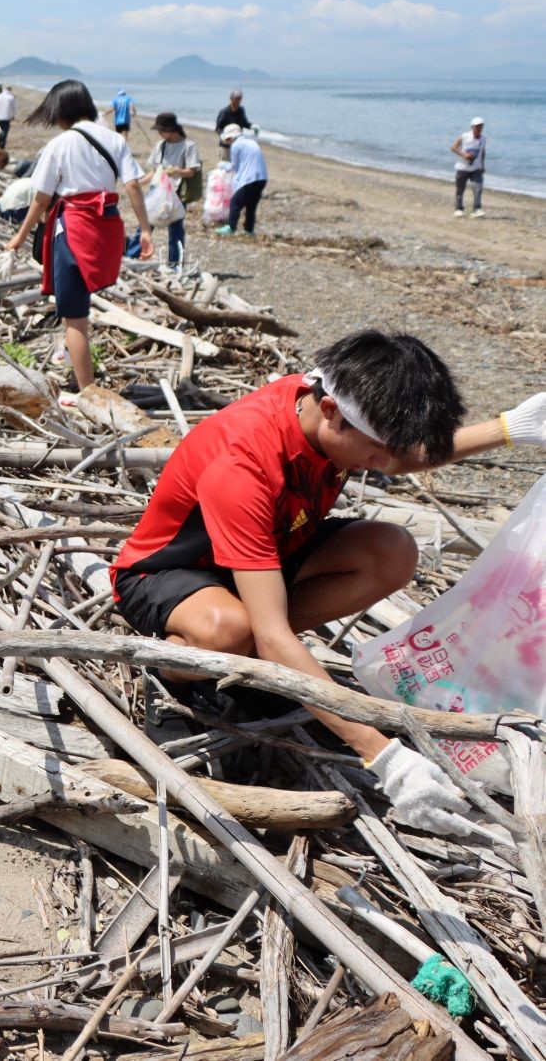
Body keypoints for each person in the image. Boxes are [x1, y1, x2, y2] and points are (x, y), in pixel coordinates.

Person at [110, 330, 546, 835]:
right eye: (377, 450)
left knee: (391, 551)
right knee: (230, 631)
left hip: (271, 552)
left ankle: (255, 660)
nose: (384, 466)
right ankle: (174, 672)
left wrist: (513, 427)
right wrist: (384, 757)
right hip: (169, 572)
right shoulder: (246, 462)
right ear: (333, 410)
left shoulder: (327, 410)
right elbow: (272, 632)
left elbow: (399, 455)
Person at [3, 79, 152, 393]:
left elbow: (41, 198)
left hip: (72, 230)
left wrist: (20, 237)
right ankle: (77, 367)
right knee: (80, 312)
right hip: (107, 227)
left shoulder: (60, 145)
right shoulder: (115, 139)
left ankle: (87, 392)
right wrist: (147, 230)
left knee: (75, 317)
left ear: (62, 111)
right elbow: (134, 185)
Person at [145, 112, 202, 265]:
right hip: (157, 192)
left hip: (175, 195)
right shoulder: (160, 145)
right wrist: (137, 183)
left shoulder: (189, 146)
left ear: (170, 130)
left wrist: (176, 171)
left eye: (160, 130)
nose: (159, 133)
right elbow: (153, 171)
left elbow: (191, 171)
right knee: (145, 225)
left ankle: (175, 264)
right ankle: (136, 255)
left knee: (175, 231)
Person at [217, 125, 267, 235]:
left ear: (230, 138)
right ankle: (249, 230)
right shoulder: (251, 142)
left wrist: (223, 165)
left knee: (235, 202)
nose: (228, 142)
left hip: (250, 178)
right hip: (262, 178)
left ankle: (231, 227)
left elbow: (235, 166)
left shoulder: (236, 145)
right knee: (251, 204)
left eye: (227, 140)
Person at [452, 116, 487, 218]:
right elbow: (453, 147)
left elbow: (483, 152)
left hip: (477, 168)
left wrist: (483, 165)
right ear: (472, 127)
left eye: (481, 126)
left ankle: (477, 209)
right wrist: (464, 155)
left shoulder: (484, 138)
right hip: (463, 167)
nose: (479, 128)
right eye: (477, 126)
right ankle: (459, 209)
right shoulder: (464, 136)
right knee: (460, 189)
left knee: (478, 188)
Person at [0, 83, 18, 147]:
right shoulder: (11, 97)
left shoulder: (0, 96)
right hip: (7, 117)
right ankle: (2, 143)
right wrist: (14, 115)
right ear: (10, 90)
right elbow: (14, 108)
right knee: (5, 130)